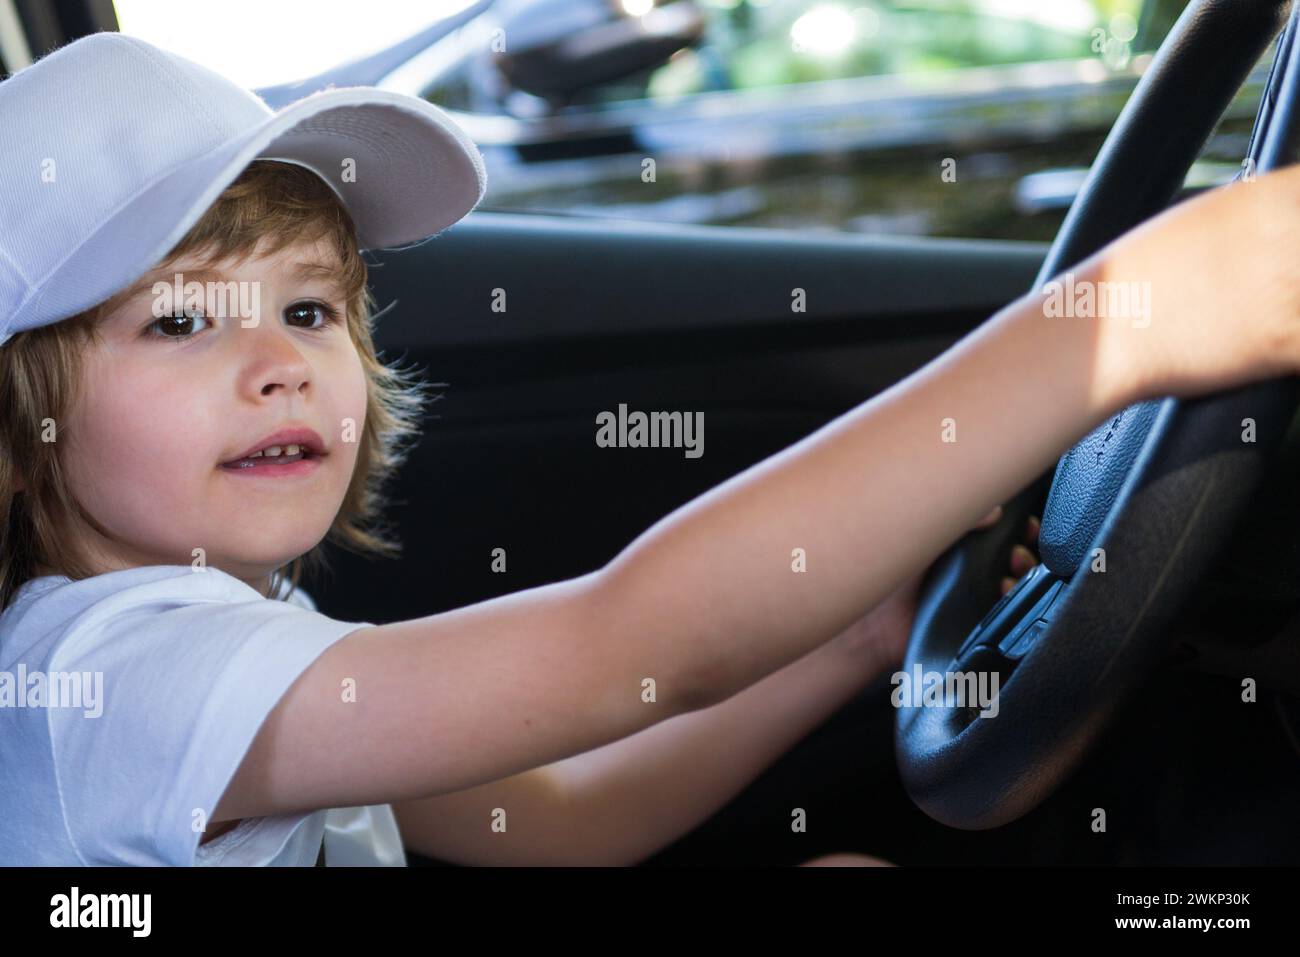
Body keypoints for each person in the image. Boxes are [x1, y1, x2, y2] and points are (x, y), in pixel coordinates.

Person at [0, 32, 1294, 867]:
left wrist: (852, 638)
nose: (278, 357)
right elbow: (632, 648)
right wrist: (1122, 323)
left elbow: (558, 810)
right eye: (177, 320)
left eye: (310, 308)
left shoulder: (227, 644)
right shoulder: (114, 679)